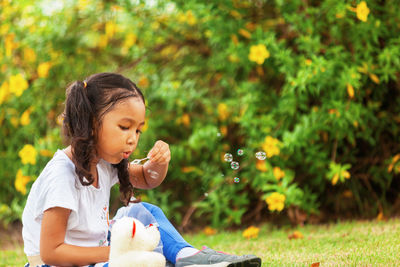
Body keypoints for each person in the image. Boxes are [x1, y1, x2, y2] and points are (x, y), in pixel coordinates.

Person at [22, 72, 262, 267]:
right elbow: (51, 252)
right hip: (57, 265)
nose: (133, 139)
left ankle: (186, 257)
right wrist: (113, 253)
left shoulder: (105, 162)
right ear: (92, 123)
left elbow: (148, 178)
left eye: (138, 130)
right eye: (125, 127)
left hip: (98, 256)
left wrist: (159, 163)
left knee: (142, 212)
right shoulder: (62, 175)